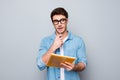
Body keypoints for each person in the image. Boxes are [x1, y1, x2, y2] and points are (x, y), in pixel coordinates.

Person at [36, 7, 87, 80]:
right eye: (56, 21)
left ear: (67, 21)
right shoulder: (45, 41)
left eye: (62, 20)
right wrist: (53, 47)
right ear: (53, 23)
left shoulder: (78, 41)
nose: (59, 24)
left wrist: (74, 67)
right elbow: (40, 65)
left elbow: (83, 64)